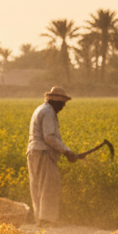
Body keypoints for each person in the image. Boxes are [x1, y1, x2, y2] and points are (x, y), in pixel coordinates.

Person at [26, 86, 82, 226]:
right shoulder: (48, 112)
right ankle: (46, 220)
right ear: (55, 101)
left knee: (38, 186)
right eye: (62, 103)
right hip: (43, 152)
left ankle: (40, 219)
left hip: (34, 152)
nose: (63, 107)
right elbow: (49, 137)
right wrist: (67, 151)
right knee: (49, 186)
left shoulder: (41, 109)